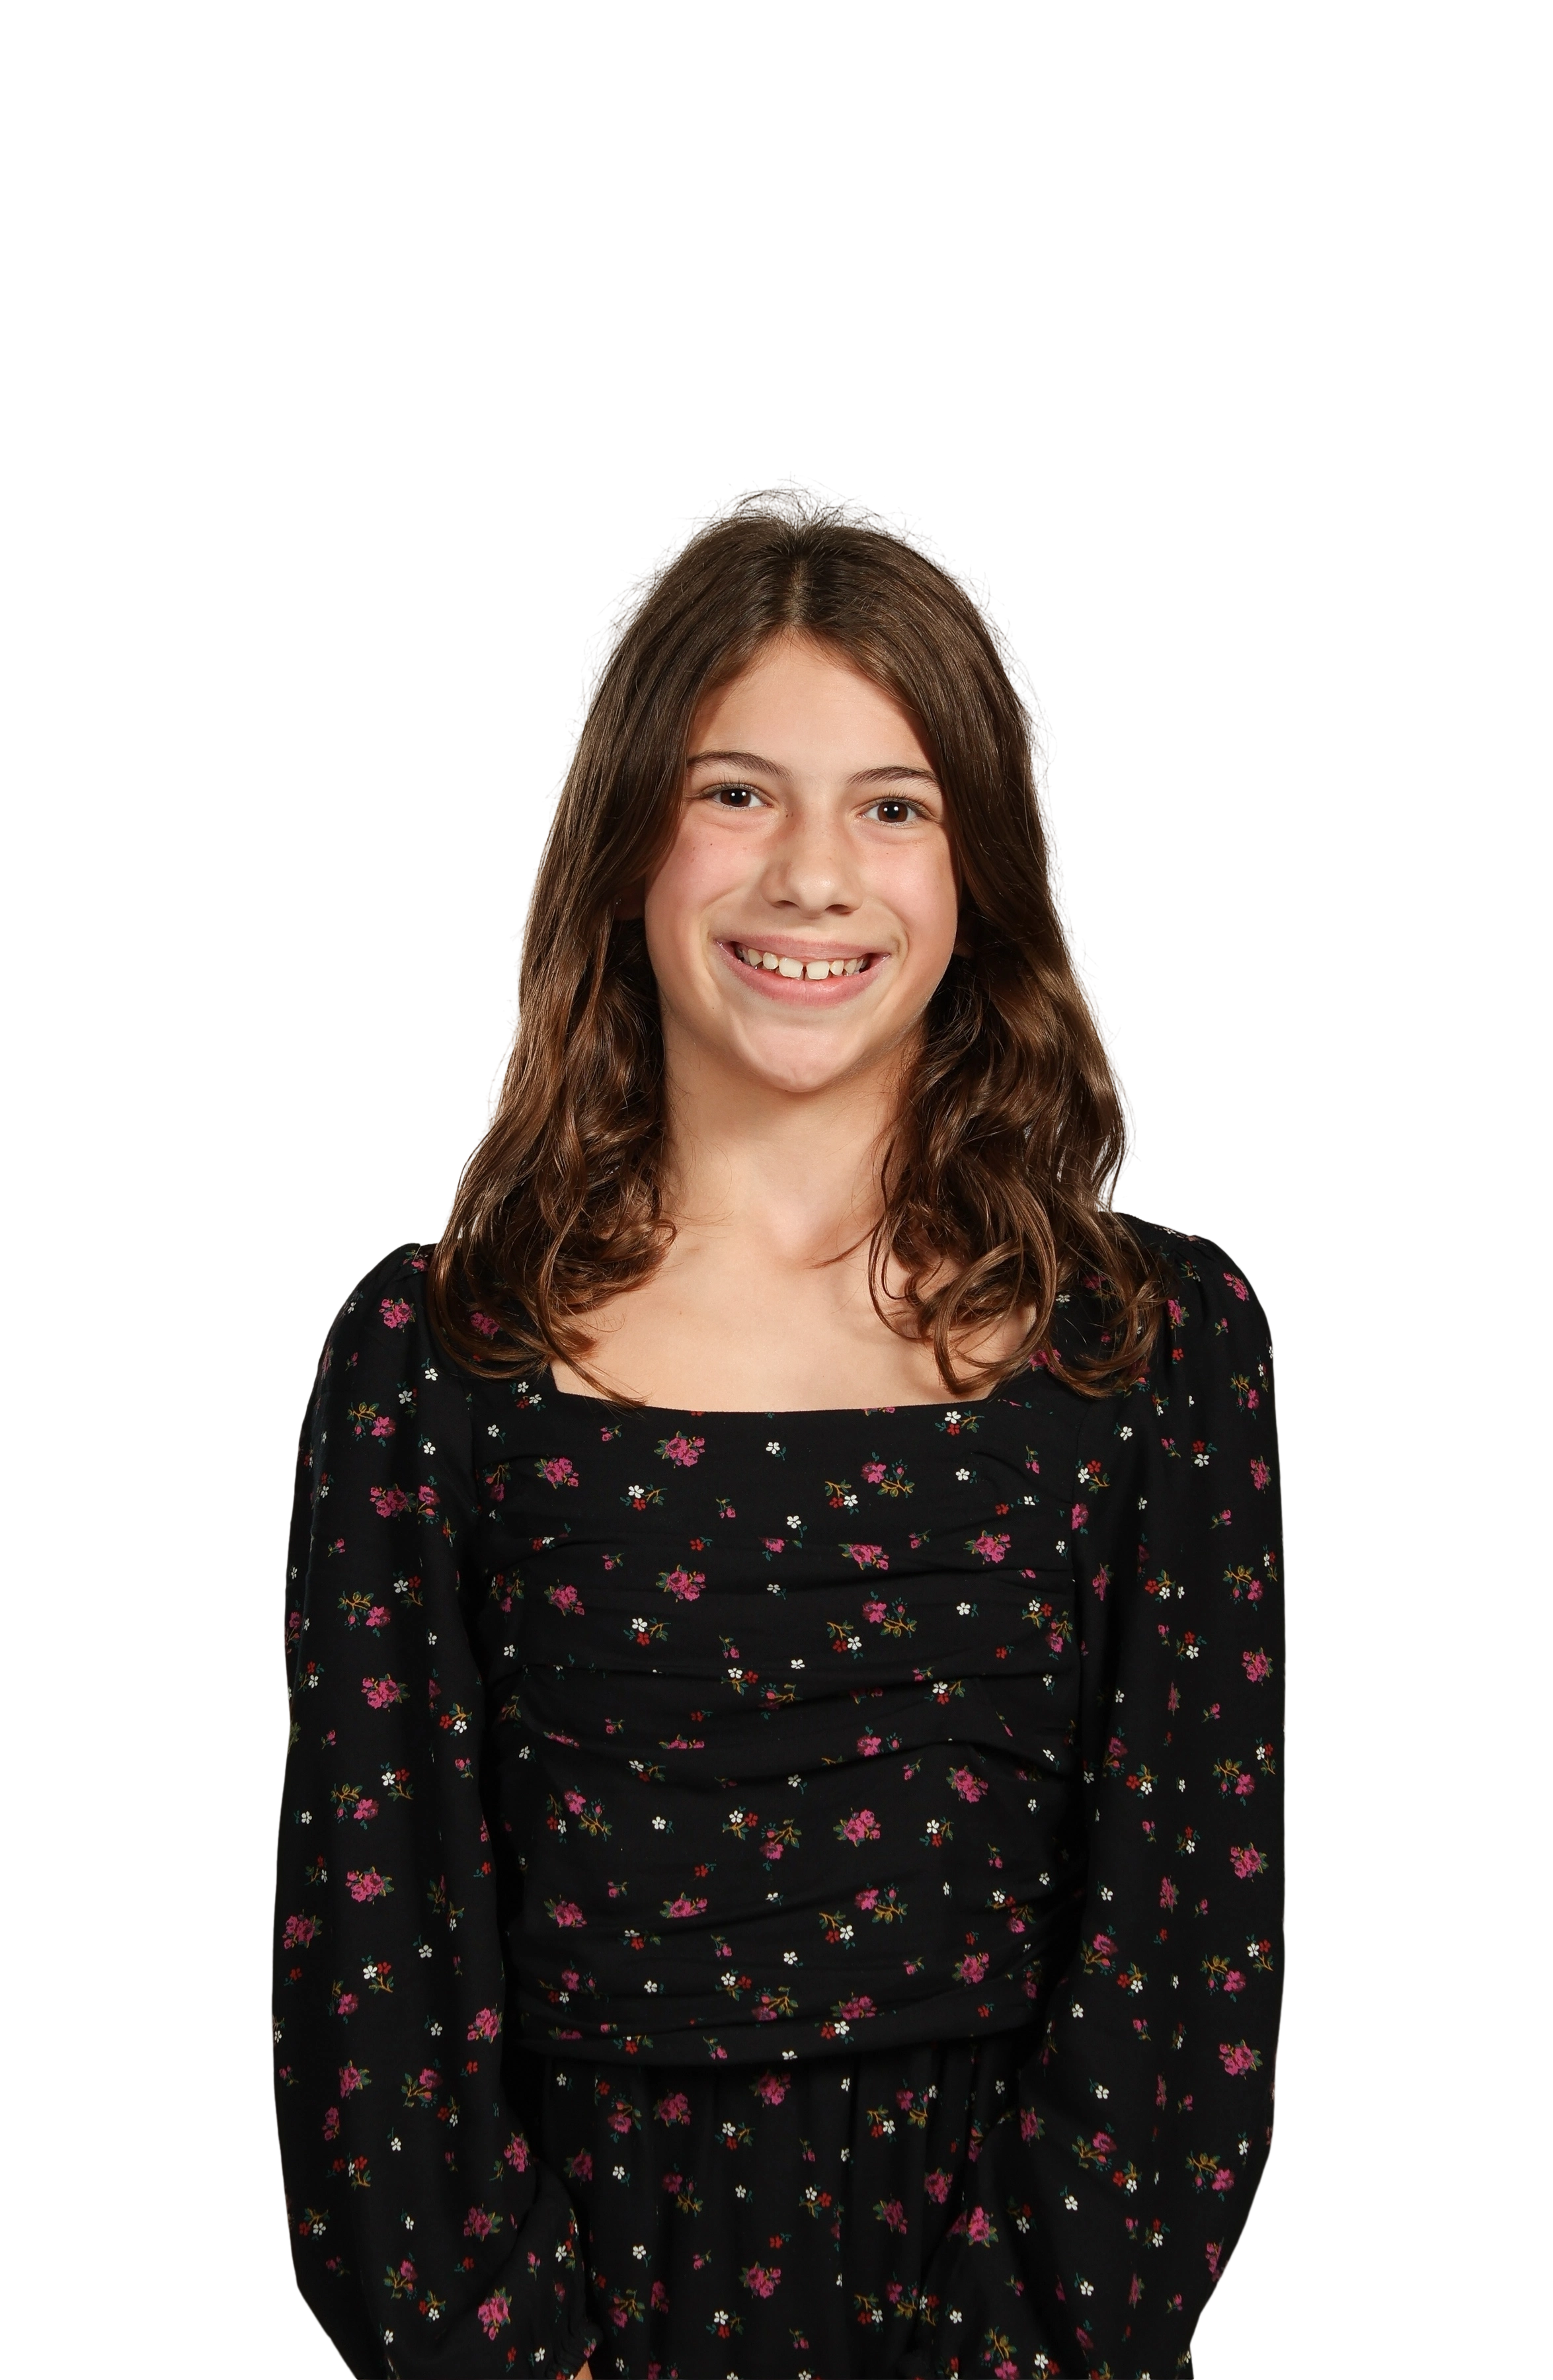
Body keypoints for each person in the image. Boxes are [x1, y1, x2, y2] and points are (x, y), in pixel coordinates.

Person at [271, 473, 1286, 2380]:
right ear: (623, 845)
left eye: (894, 805)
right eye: (737, 792)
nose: (813, 875)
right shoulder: (434, 1361)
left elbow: (1184, 1964)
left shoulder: (1153, 1354)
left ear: (980, 869)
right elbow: (372, 1997)